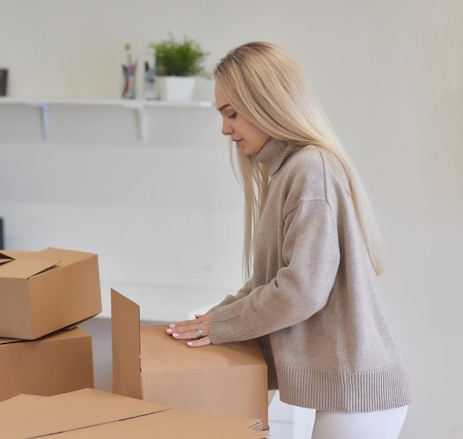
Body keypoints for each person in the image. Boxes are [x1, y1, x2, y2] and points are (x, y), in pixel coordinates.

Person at [166, 42, 410, 439]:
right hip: (348, 387)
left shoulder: (310, 169)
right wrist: (214, 317)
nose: (225, 128)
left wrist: (222, 323)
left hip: (359, 389)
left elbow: (300, 290)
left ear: (267, 104)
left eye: (232, 113)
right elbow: (271, 281)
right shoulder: (288, 172)